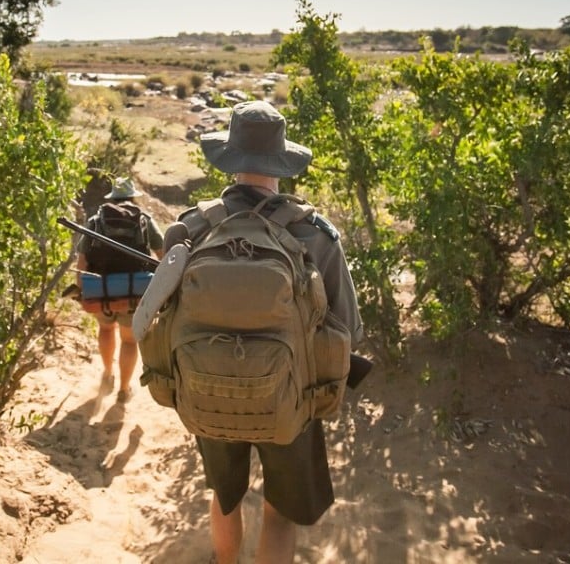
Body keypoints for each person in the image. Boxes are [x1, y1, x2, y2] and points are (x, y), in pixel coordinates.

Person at [170, 101, 364, 563]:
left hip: (205, 387)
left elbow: (162, 316)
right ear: (281, 164)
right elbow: (349, 331)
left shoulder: (191, 228)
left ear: (230, 160)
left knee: (225, 495)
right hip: (292, 399)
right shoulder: (317, 235)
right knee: (278, 512)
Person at [75, 176, 164, 403]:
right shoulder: (144, 219)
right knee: (129, 341)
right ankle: (124, 389)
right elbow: (163, 256)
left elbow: (83, 260)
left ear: (113, 198)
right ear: (133, 197)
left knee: (106, 330)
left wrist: (82, 288)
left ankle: (108, 373)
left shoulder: (97, 219)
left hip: (101, 287)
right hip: (134, 290)